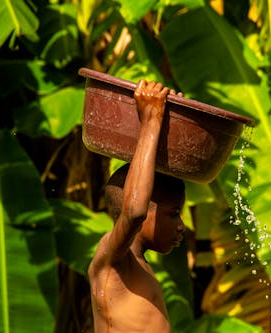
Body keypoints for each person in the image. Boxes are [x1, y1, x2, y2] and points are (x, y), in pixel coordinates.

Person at [88, 80, 186, 333]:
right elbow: (134, 212)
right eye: (174, 213)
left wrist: (170, 124)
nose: (181, 226)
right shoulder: (112, 259)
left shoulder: (143, 269)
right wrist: (152, 121)